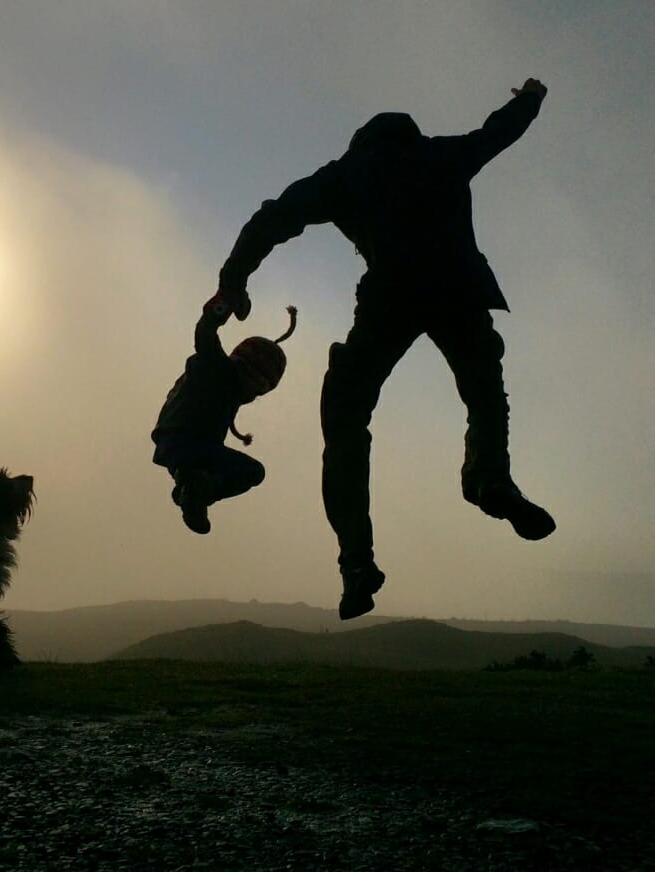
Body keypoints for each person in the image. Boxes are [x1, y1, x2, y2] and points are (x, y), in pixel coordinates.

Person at [216, 79, 555, 619]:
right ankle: (490, 476)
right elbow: (499, 133)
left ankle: (356, 559)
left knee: (346, 418)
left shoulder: (348, 173)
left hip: (390, 295)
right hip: (461, 291)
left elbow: (273, 216)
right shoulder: (441, 153)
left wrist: (235, 277)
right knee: (485, 392)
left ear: (362, 142)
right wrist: (531, 98)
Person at [152, 299, 297, 534]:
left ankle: (192, 487)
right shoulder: (217, 369)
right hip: (190, 443)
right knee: (253, 472)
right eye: (257, 390)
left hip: (176, 447)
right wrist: (223, 303)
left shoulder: (223, 380)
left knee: (239, 471)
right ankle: (196, 490)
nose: (252, 397)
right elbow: (205, 334)